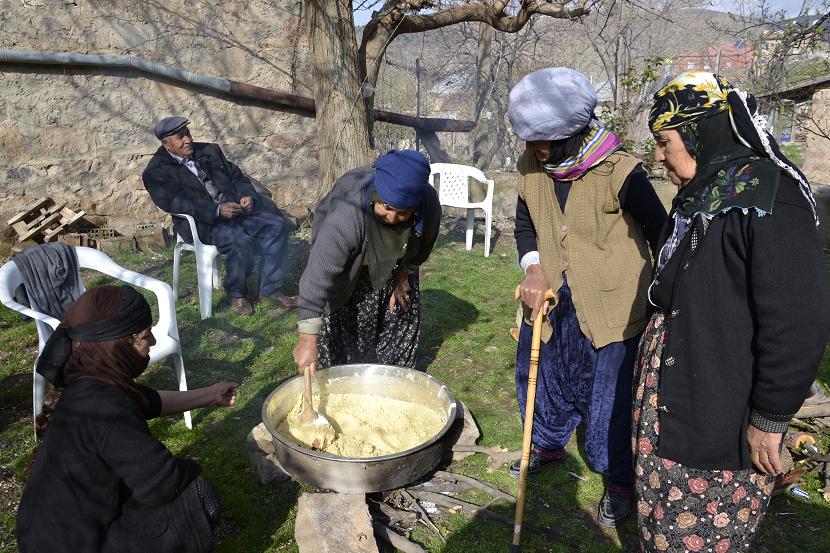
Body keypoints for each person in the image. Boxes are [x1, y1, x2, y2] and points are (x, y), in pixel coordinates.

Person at [634, 71, 830, 552]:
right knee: (660, 516)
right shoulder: (706, 190)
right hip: (678, 389)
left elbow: (798, 321)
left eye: (664, 141)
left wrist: (771, 417)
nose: (658, 156)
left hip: (718, 406)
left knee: (702, 528)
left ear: (701, 131)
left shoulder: (769, 197)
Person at [508, 67, 667, 528]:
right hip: (554, 294)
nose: (534, 148)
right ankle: (547, 443)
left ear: (573, 133)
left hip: (614, 303)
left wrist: (665, 299)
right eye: (528, 139)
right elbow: (525, 226)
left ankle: (619, 480)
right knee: (543, 374)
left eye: (543, 141)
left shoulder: (621, 171)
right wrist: (533, 268)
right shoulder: (530, 167)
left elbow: (661, 234)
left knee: (610, 398)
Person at [16, 285, 239, 553]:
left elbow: (149, 401)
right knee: (201, 496)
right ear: (119, 343)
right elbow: (162, 484)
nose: (153, 342)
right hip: (81, 545)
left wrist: (211, 395)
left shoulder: (87, 379)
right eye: (145, 335)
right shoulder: (108, 407)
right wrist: (193, 470)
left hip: (47, 536)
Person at [292, 149, 441, 374]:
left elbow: (424, 244)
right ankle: (345, 376)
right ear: (376, 194)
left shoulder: (427, 203)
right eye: (387, 207)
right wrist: (306, 340)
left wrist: (404, 273)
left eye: (403, 212)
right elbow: (317, 278)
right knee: (342, 325)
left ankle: (394, 377)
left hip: (397, 258)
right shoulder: (347, 212)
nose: (392, 218)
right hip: (349, 262)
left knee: (401, 309)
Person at [142, 116, 296, 316]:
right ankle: (237, 293)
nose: (188, 140)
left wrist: (246, 195)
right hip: (204, 224)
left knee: (276, 226)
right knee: (239, 241)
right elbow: (174, 203)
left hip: (236, 212)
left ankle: (270, 290)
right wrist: (215, 210)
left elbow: (237, 176)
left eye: (187, 134)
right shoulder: (156, 172)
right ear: (166, 144)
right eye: (180, 138)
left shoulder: (209, 151)